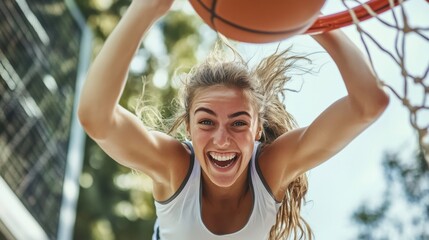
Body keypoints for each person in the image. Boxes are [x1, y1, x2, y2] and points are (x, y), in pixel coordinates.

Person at [77, 0, 390, 239]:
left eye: (239, 123)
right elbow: (96, 118)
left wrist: (312, 21)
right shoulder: (177, 168)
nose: (222, 139)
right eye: (206, 122)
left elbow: (369, 104)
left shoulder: (269, 168)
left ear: (257, 130)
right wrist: (146, 8)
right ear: (188, 127)